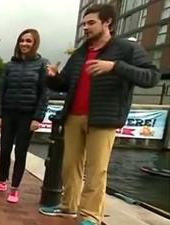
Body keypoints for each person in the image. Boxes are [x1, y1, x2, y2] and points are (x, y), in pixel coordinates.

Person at [38, 4, 160, 225]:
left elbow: (152, 77)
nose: (85, 27)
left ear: (107, 23)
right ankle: (68, 207)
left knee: (96, 169)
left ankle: (91, 215)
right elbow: (65, 84)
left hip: (103, 119)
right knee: (69, 166)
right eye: (84, 23)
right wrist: (52, 77)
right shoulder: (80, 53)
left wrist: (115, 67)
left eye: (91, 23)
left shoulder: (126, 50)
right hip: (73, 116)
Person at [0, 28, 49, 203]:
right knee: (4, 150)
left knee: (21, 152)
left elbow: (44, 94)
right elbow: (1, 91)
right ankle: (1, 182)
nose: (24, 44)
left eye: (28, 41)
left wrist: (37, 118)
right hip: (9, 113)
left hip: (27, 116)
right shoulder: (9, 66)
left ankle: (15, 189)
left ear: (35, 43)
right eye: (22, 41)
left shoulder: (42, 64)